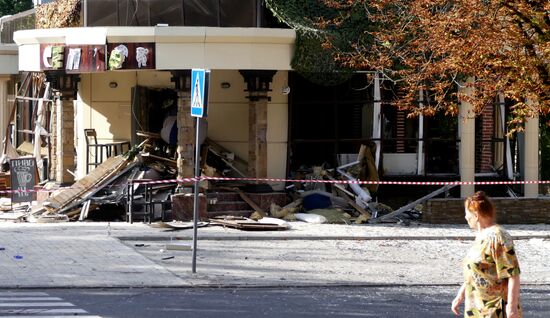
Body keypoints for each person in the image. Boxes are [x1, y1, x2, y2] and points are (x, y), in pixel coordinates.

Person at [451, 191, 521, 318]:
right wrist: (460, 295)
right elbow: (476, 271)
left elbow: (513, 274)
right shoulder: (482, 236)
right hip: (477, 309)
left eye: (467, 213)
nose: (466, 217)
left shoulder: (498, 236)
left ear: (476, 215)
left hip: (494, 309)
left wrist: (512, 306)